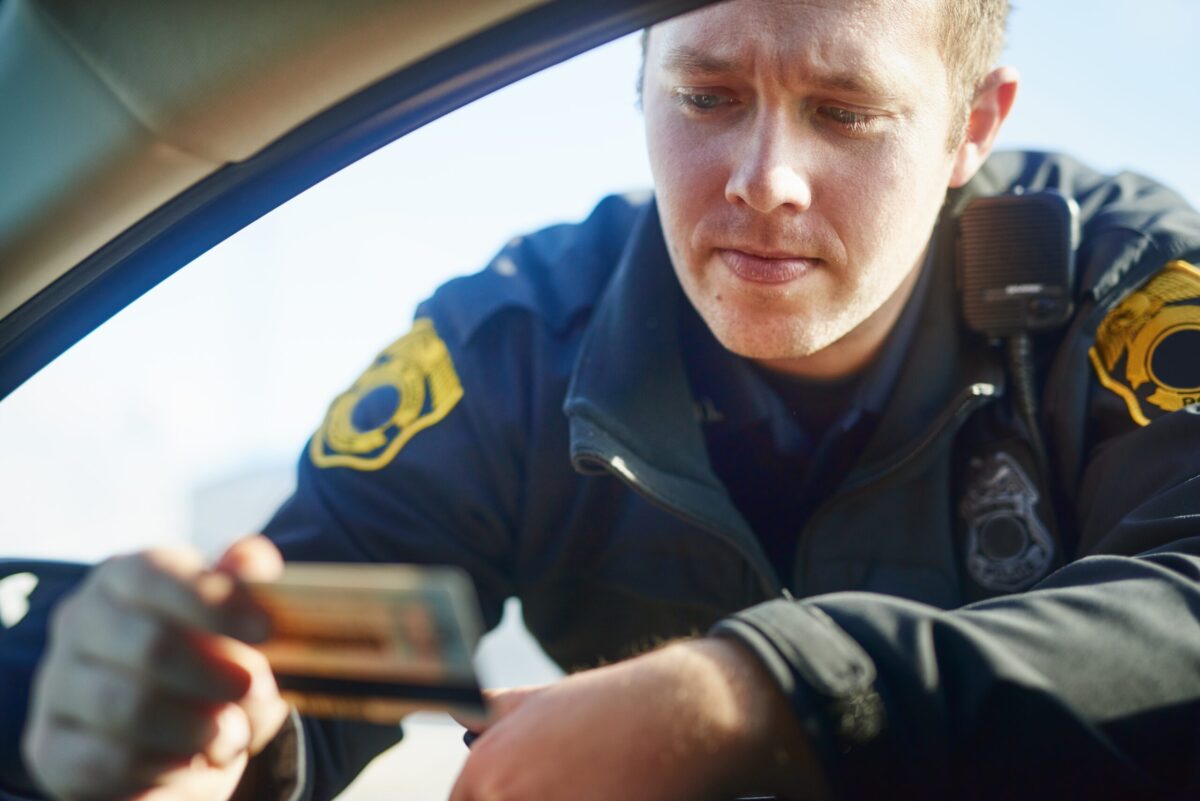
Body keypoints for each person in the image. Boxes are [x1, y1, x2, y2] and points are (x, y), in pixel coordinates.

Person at [15, 0, 1200, 799]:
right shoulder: (520, 343)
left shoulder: (1123, 289)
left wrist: (750, 696)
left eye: (844, 113)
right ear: (639, 84)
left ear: (972, 126)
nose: (765, 181)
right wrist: (211, 734)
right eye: (707, 95)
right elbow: (304, 661)